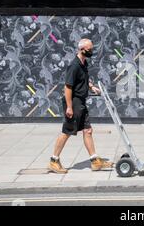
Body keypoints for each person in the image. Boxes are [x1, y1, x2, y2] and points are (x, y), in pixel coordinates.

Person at [48, 39, 114, 173]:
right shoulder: (74, 66)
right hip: (74, 102)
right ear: (82, 49)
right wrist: (69, 107)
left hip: (81, 102)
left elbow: (82, 80)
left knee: (88, 130)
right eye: (89, 50)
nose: (91, 52)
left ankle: (94, 161)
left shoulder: (83, 63)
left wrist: (91, 87)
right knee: (67, 131)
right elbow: (68, 87)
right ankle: (53, 161)